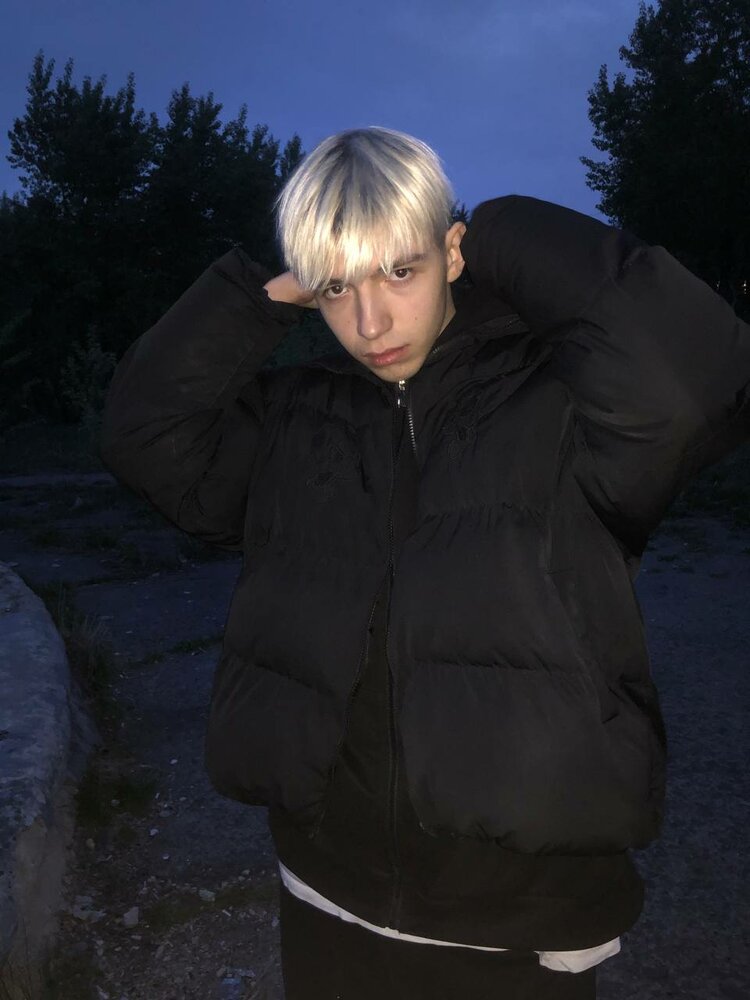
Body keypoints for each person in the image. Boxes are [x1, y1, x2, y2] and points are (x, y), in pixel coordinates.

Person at [99, 126, 750, 999]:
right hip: (327, 893)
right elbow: (143, 435)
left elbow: (700, 381)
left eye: (399, 272)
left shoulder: (560, 399)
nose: (369, 324)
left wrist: (502, 230)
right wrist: (260, 298)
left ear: (451, 253)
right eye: (337, 287)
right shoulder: (297, 416)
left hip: (515, 923)